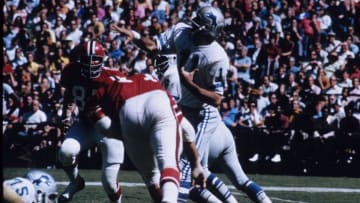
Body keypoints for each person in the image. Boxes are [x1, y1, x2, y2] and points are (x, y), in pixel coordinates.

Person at [57, 40, 124, 203]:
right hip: (85, 124)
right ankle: (75, 182)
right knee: (66, 152)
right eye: (88, 58)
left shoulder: (113, 78)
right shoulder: (72, 71)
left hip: (110, 130)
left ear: (102, 60)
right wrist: (67, 115)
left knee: (109, 182)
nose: (92, 63)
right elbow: (70, 95)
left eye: (96, 59)